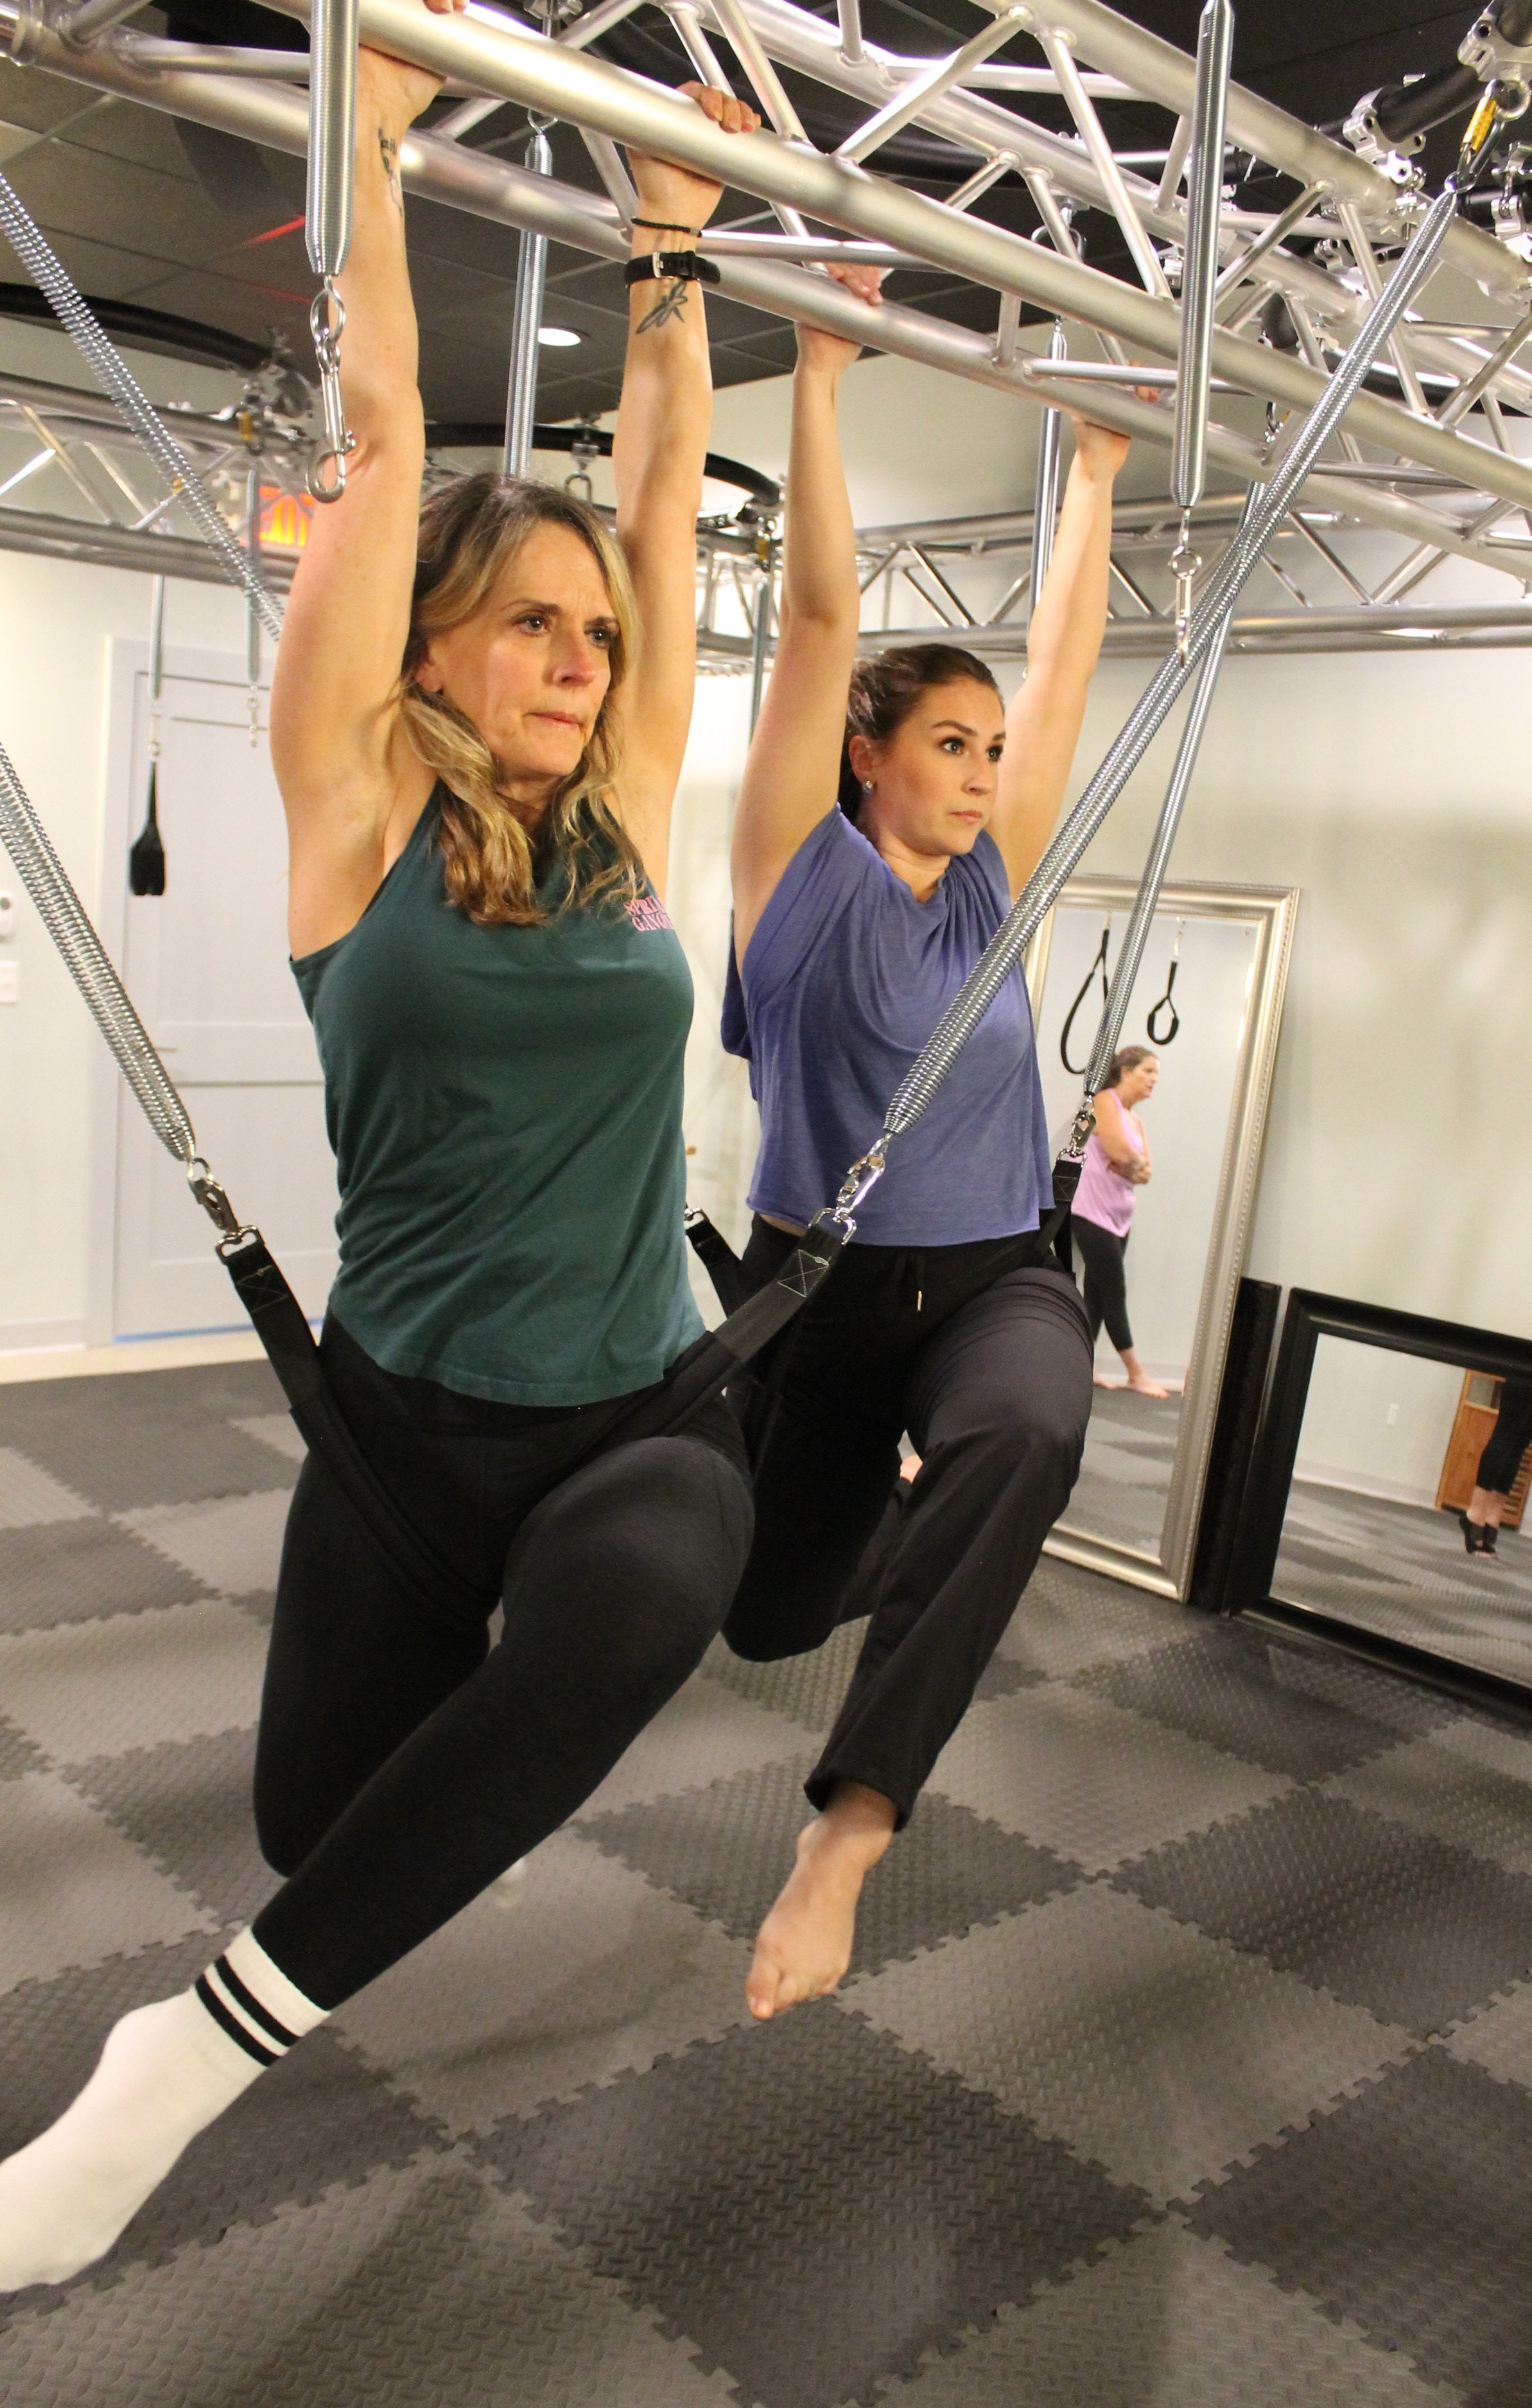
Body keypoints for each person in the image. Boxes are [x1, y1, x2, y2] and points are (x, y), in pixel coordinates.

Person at [0, 20, 760, 2291]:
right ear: (428, 635)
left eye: (597, 635)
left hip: (647, 1403)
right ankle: (429, 1817)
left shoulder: (624, 816)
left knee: (645, 1598)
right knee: (310, 1825)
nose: (574, 650)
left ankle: (175, 2069)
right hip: (406, 1425)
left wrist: (670, 262)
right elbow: (388, 434)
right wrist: (375, 167)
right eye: (525, 621)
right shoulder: (357, 820)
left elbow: (652, 503)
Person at [720, 270, 1131, 2021]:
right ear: (865, 756)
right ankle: (907, 1498)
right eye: (947, 744)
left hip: (985, 1275)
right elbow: (817, 620)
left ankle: (848, 1832)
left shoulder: (993, 885)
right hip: (811, 1293)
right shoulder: (789, 876)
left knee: (1037, 1413)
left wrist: (1094, 469)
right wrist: (815, 382)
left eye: (988, 746)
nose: (980, 766)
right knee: (762, 1614)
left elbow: (1062, 664)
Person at [1056, 1044, 1168, 1398]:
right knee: (1114, 1289)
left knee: (1098, 1296)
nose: (1153, 1080)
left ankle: (1079, 1368)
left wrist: (1132, 1165)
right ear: (1126, 1072)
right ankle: (1135, 1372)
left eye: (1156, 1074)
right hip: (1091, 1211)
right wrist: (1131, 1162)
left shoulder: (1136, 1119)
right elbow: (1121, 1153)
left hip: (1120, 1215)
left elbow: (1145, 1171)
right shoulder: (1106, 1101)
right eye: (1148, 1071)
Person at [1459, 1377, 1532, 1554]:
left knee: (1519, 1444)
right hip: (1530, 1361)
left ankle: (1492, 1516)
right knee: (1506, 1434)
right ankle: (1475, 1514)